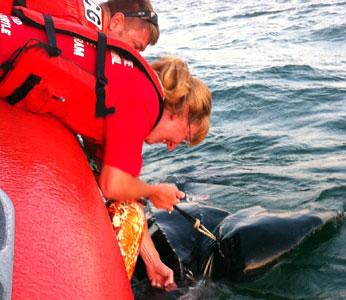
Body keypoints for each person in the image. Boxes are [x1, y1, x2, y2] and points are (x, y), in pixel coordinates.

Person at [0, 11, 211, 291]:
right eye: (182, 138)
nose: (172, 147)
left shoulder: (137, 82)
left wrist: (153, 260)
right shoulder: (144, 100)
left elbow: (125, 197)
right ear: (182, 112)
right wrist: (154, 191)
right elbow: (113, 185)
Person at [0, 0, 159, 52]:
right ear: (116, 22)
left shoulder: (79, 9)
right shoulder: (81, 37)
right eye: (135, 47)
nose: (133, 56)